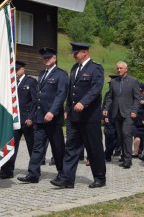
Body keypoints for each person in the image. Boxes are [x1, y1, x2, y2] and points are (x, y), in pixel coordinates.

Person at [50, 42, 106, 189]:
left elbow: (96, 88)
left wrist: (84, 102)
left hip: (89, 117)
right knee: (71, 148)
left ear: (85, 52)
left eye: (76, 53)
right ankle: (67, 179)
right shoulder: (75, 68)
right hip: (75, 117)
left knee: (94, 148)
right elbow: (71, 91)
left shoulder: (96, 68)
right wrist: (67, 109)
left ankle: (100, 177)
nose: (74, 55)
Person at [17, 47, 68, 183]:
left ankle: (62, 174)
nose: (46, 60)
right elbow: (38, 97)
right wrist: (34, 116)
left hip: (53, 118)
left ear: (54, 58)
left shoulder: (61, 74)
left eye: (48, 58)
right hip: (40, 118)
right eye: (44, 58)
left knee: (57, 147)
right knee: (37, 146)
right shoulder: (42, 74)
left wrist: (52, 111)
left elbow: (61, 95)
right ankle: (33, 174)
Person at [103, 61, 140, 169]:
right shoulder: (114, 82)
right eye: (117, 68)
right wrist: (106, 108)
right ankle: (124, 156)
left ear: (126, 69)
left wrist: (134, 110)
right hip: (116, 113)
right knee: (121, 136)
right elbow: (110, 97)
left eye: (121, 68)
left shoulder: (133, 81)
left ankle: (128, 160)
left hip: (128, 113)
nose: (118, 70)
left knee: (126, 134)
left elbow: (137, 98)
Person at [103, 75, 121, 162]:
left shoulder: (120, 93)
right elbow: (105, 106)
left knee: (118, 137)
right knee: (109, 136)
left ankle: (113, 152)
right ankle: (108, 154)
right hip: (109, 118)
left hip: (118, 117)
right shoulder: (107, 94)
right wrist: (104, 117)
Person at [132, 83, 144, 157]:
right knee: (136, 136)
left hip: (143, 119)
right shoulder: (135, 97)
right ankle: (136, 152)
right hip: (136, 119)